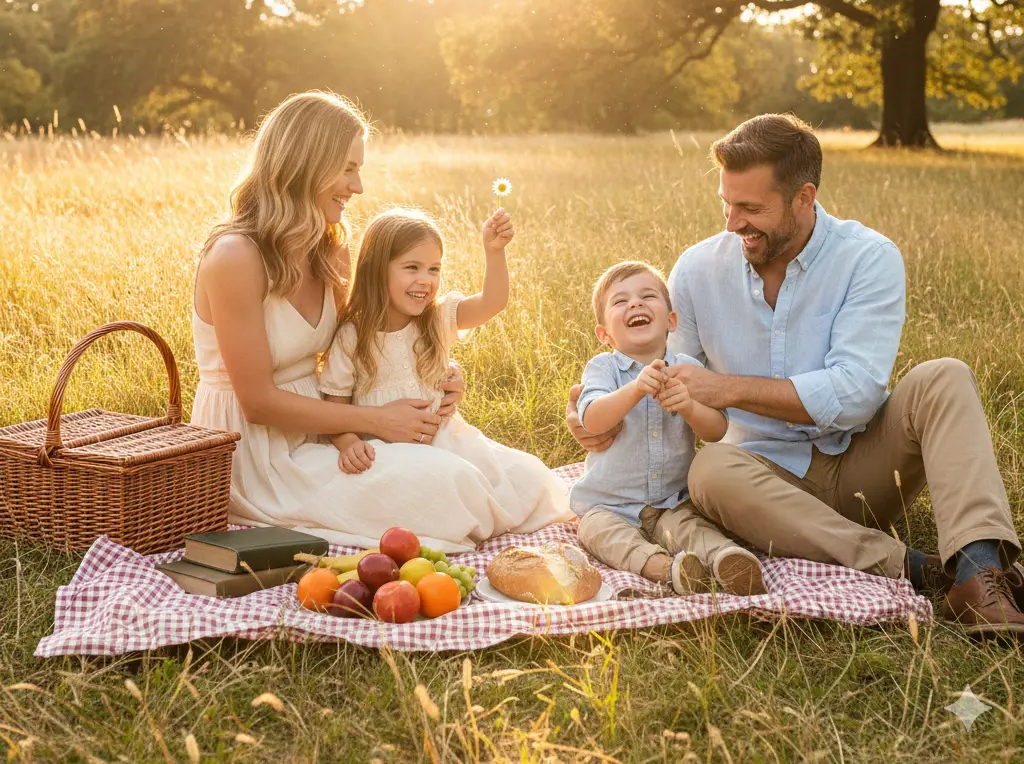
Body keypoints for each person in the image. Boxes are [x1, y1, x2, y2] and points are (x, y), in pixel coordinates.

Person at [567, 114, 1023, 635]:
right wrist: (587, 408)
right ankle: (919, 568)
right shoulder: (696, 269)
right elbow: (664, 376)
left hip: (863, 465)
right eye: (727, 203)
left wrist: (729, 388)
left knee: (945, 376)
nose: (733, 222)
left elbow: (854, 395)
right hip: (758, 482)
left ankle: (980, 568)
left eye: (751, 208)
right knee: (709, 470)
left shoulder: (868, 258)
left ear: (804, 198)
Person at [191, 91, 540, 550]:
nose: (358, 187)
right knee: (453, 484)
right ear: (306, 163)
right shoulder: (235, 257)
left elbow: (366, 341)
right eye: (348, 168)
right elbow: (257, 402)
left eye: (360, 169)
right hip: (256, 451)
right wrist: (376, 421)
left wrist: (436, 375)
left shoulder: (329, 246)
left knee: (519, 476)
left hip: (330, 429)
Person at [317, 208, 570, 541]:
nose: (426, 280)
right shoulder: (353, 336)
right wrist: (348, 442)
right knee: (449, 488)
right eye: (412, 268)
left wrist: (494, 252)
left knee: (530, 476)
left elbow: (492, 303)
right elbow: (336, 408)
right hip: (391, 455)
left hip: (450, 440)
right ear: (377, 271)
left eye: (434, 269)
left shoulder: (435, 319)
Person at [570, 261, 767, 596]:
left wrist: (689, 406)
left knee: (691, 529)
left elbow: (716, 430)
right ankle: (665, 568)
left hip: (672, 501)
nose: (635, 303)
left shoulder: (687, 369)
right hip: (610, 503)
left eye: (648, 296)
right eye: (621, 301)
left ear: (671, 321)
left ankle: (727, 560)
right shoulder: (603, 368)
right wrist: (634, 390)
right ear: (604, 334)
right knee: (597, 532)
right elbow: (593, 418)